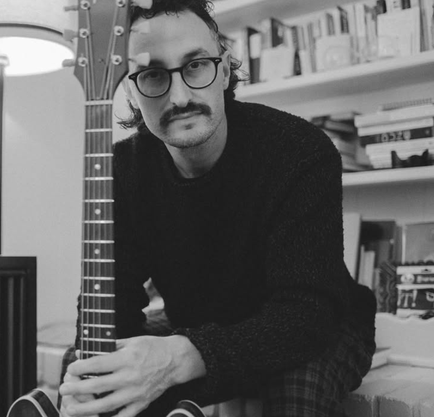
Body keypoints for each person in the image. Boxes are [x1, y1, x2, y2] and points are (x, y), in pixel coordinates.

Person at [59, 1, 377, 416]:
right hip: (201, 325)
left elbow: (307, 314)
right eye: (153, 75)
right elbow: (113, 307)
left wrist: (181, 356)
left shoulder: (299, 150)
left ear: (224, 70)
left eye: (196, 66)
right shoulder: (124, 168)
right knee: (89, 364)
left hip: (313, 326)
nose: (180, 97)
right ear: (131, 90)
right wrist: (96, 374)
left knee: (296, 391)